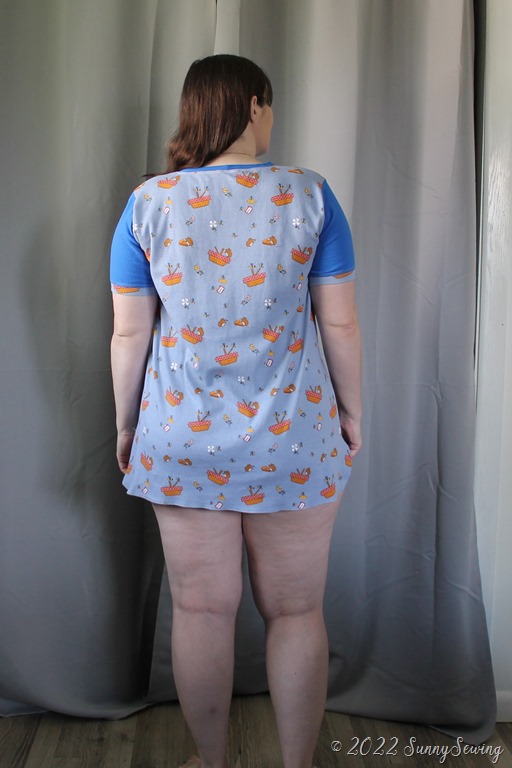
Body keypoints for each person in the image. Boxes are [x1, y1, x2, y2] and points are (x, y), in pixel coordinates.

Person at [110, 54, 362, 768]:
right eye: (270, 106)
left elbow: (129, 336)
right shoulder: (309, 194)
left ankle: (212, 761)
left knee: (200, 610)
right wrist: (352, 412)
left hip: (181, 441)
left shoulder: (149, 203)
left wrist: (127, 425)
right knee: (297, 610)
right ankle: (296, 763)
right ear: (254, 105)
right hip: (295, 439)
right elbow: (340, 324)